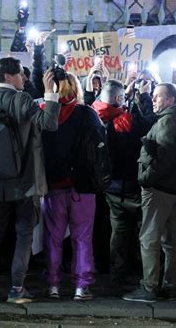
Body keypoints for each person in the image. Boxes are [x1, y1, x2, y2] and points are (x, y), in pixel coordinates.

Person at [0, 57, 60, 304]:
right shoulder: (21, 99)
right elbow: (50, 124)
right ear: (10, 77)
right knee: (24, 235)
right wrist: (49, 94)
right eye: (22, 74)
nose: (24, 79)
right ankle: (16, 289)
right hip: (25, 182)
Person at [123, 83, 176, 303]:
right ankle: (169, 285)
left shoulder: (168, 122)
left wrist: (145, 179)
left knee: (149, 238)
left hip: (159, 189)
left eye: (158, 96)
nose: (154, 100)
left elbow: (164, 157)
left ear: (171, 100)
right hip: (171, 188)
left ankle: (150, 287)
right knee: (170, 240)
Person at [41, 73, 103, 301]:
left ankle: (53, 285)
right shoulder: (86, 114)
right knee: (82, 237)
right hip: (83, 186)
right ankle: (81, 286)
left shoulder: (45, 113)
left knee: (53, 237)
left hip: (53, 185)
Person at [91, 79, 150, 286]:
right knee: (144, 232)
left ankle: (117, 275)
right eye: (122, 98)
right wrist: (143, 97)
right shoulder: (126, 121)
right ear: (118, 99)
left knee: (118, 232)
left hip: (107, 186)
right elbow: (148, 124)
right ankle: (147, 275)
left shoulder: (93, 115)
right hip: (130, 185)